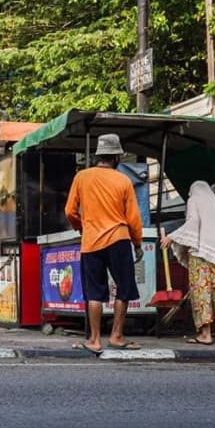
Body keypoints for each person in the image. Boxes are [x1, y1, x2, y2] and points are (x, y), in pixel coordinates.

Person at [65, 134, 144, 355]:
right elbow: (134, 219)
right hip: (118, 239)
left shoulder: (82, 177)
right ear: (117, 157)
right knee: (124, 288)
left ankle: (95, 340)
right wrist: (137, 243)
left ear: (98, 155)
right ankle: (117, 336)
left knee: (94, 293)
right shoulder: (124, 181)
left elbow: (69, 211)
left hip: (91, 242)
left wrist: (82, 227)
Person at [161, 181, 215, 345]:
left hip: (202, 252)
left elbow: (193, 223)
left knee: (202, 291)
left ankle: (205, 334)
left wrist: (172, 237)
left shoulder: (194, 200)